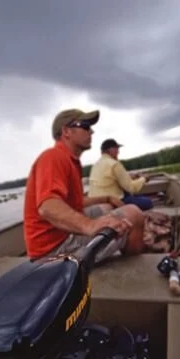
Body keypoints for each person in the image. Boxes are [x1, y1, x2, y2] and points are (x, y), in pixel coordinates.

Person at [23, 109, 145, 263]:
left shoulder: (70, 161)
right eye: (86, 126)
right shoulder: (53, 157)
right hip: (52, 251)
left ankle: (124, 243)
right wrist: (90, 225)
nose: (91, 131)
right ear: (67, 131)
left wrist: (107, 198)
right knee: (134, 214)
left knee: (107, 207)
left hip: (61, 233)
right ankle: (134, 268)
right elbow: (48, 206)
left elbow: (76, 202)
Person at [88, 139, 154, 211]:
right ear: (110, 149)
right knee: (148, 202)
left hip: (96, 202)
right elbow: (131, 188)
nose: (118, 152)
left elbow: (109, 179)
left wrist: (129, 177)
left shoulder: (95, 165)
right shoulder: (114, 164)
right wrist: (144, 179)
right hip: (114, 202)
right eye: (117, 149)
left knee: (132, 195)